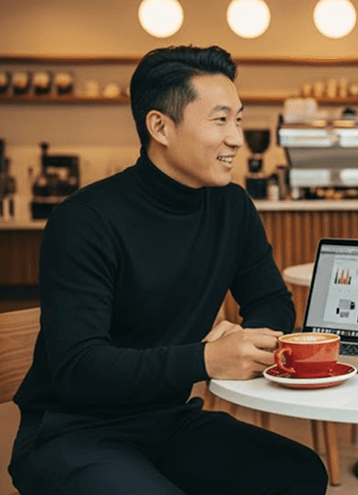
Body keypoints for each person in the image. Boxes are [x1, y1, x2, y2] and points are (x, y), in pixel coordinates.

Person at [9, 46, 329, 495]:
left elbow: (272, 302)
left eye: (238, 119)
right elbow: (79, 368)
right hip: (73, 431)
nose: (236, 138)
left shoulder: (231, 207)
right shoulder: (85, 219)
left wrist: (246, 338)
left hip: (167, 420)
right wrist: (204, 359)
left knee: (301, 472)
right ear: (160, 126)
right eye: (220, 120)